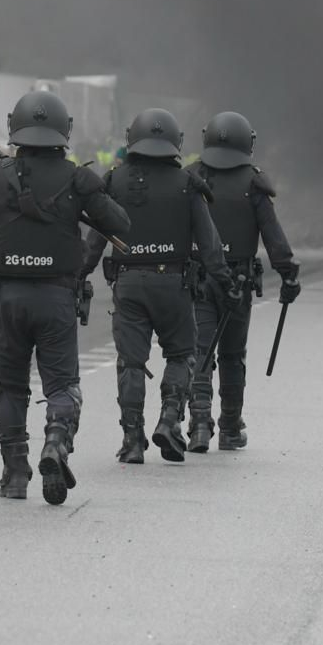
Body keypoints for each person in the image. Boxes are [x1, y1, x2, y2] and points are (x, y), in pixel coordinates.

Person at [0, 90, 130, 503]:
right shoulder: (77, 178)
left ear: (14, 127)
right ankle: (56, 443)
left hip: (8, 298)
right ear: (64, 130)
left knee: (9, 386)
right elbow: (119, 224)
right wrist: (84, 198)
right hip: (57, 298)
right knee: (62, 386)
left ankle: (14, 475)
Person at [82, 108, 235, 465]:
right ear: (175, 142)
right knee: (182, 355)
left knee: (131, 363)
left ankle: (132, 440)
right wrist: (226, 282)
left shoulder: (114, 182)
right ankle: (169, 419)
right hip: (173, 285)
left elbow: (95, 242)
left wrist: (77, 275)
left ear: (131, 138)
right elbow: (210, 245)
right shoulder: (188, 184)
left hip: (128, 283)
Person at [186, 112, 300, 452]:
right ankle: (230, 427)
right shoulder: (254, 183)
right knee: (233, 355)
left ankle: (199, 425)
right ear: (246, 142)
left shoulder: (191, 176)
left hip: (198, 278)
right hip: (238, 281)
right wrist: (288, 274)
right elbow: (272, 235)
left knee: (201, 350)